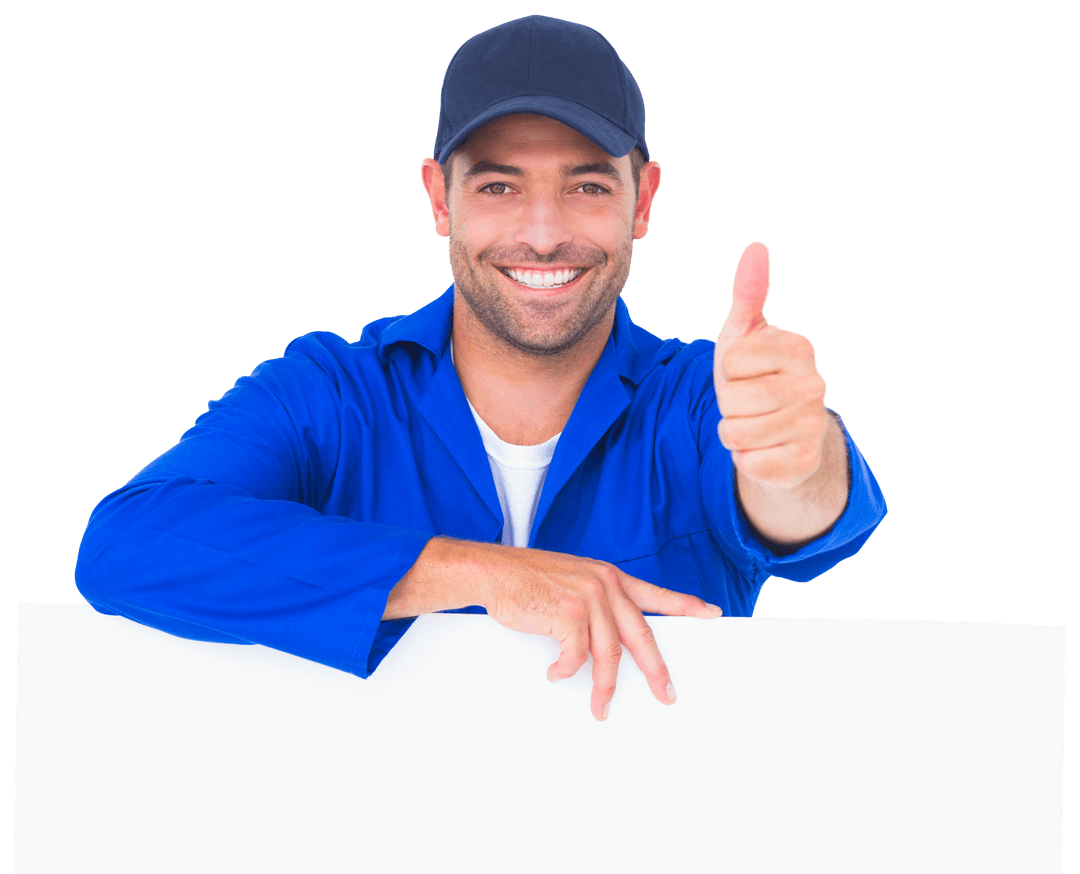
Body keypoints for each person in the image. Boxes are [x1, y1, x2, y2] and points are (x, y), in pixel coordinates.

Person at [74, 14, 887, 723]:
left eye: (588, 185)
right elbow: (126, 545)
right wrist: (476, 573)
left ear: (643, 200)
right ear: (439, 197)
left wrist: (797, 452)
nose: (541, 234)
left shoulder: (698, 399)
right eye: (499, 185)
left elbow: (796, 508)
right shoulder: (331, 394)